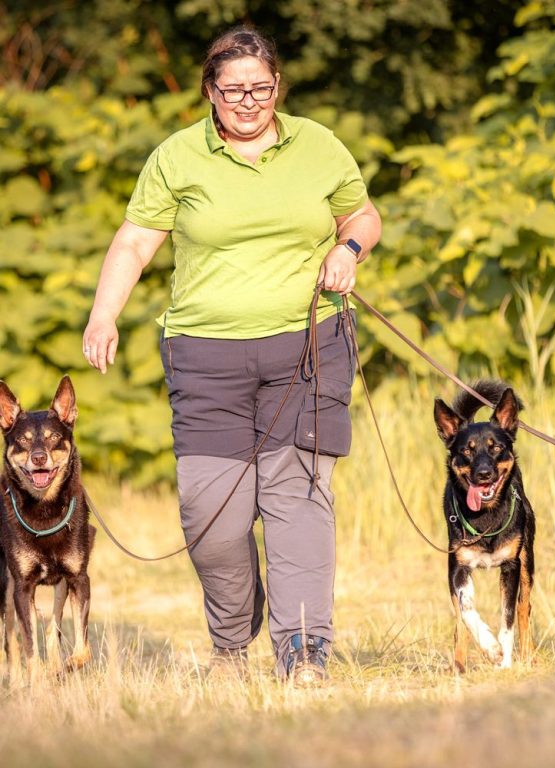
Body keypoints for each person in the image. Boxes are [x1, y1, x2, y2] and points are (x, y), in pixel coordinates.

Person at [82, 25, 381, 686]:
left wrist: (346, 250)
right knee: (211, 516)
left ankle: (304, 647)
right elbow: (135, 243)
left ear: (279, 85)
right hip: (204, 356)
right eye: (233, 90)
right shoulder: (177, 157)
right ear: (209, 92)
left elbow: (363, 216)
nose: (248, 102)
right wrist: (103, 313)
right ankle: (233, 636)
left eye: (262, 89)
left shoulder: (318, 145)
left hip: (307, 346)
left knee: (297, 497)